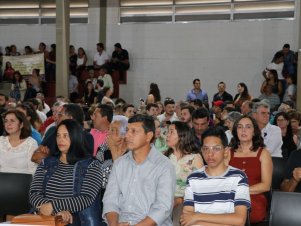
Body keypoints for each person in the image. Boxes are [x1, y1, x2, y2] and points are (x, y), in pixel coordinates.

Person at [102, 114, 176, 225]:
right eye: (127, 130)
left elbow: (163, 207)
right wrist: (114, 224)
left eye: (134, 131)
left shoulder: (164, 165)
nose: (127, 135)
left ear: (148, 136)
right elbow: (110, 200)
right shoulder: (119, 164)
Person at [29, 119, 102, 225]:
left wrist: (54, 206)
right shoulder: (46, 163)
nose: (60, 140)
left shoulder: (92, 165)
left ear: (75, 137)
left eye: (65, 135)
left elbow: (86, 198)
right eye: (58, 135)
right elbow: (34, 193)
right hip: (45, 218)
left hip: (77, 219)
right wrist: (52, 210)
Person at [180, 127, 250, 226]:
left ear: (226, 151)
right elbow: (187, 219)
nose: (210, 154)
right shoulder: (193, 178)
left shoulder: (238, 177)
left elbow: (239, 220)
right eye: (206, 149)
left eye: (216, 149)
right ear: (201, 151)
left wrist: (198, 217)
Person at [229, 115, 272, 223]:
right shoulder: (227, 153)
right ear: (235, 131)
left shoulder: (264, 153)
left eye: (248, 127)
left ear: (254, 132)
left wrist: (240, 192)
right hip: (229, 197)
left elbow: (266, 186)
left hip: (254, 197)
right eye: (239, 127)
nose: (243, 130)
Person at [165, 121, 203, 226]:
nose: (167, 135)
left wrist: (180, 199)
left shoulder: (195, 158)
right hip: (166, 200)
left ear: (182, 136)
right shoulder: (165, 157)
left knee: (181, 210)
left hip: (187, 201)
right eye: (167, 132)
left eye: (171, 132)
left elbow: (198, 188)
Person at [0, 109, 38, 174]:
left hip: (23, 182)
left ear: (21, 124)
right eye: (6, 121)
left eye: (12, 121)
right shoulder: (1, 140)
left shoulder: (31, 143)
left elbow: (33, 170)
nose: (8, 124)